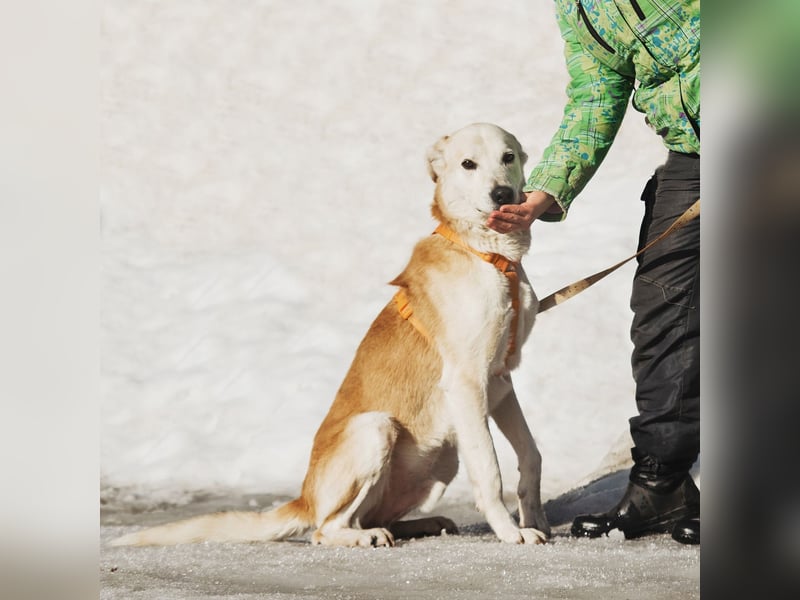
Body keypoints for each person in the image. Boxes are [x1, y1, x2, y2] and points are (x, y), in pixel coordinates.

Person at [487, 0, 700, 544]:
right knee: (665, 308)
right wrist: (544, 192)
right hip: (695, 157)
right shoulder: (581, 9)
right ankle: (663, 486)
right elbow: (596, 95)